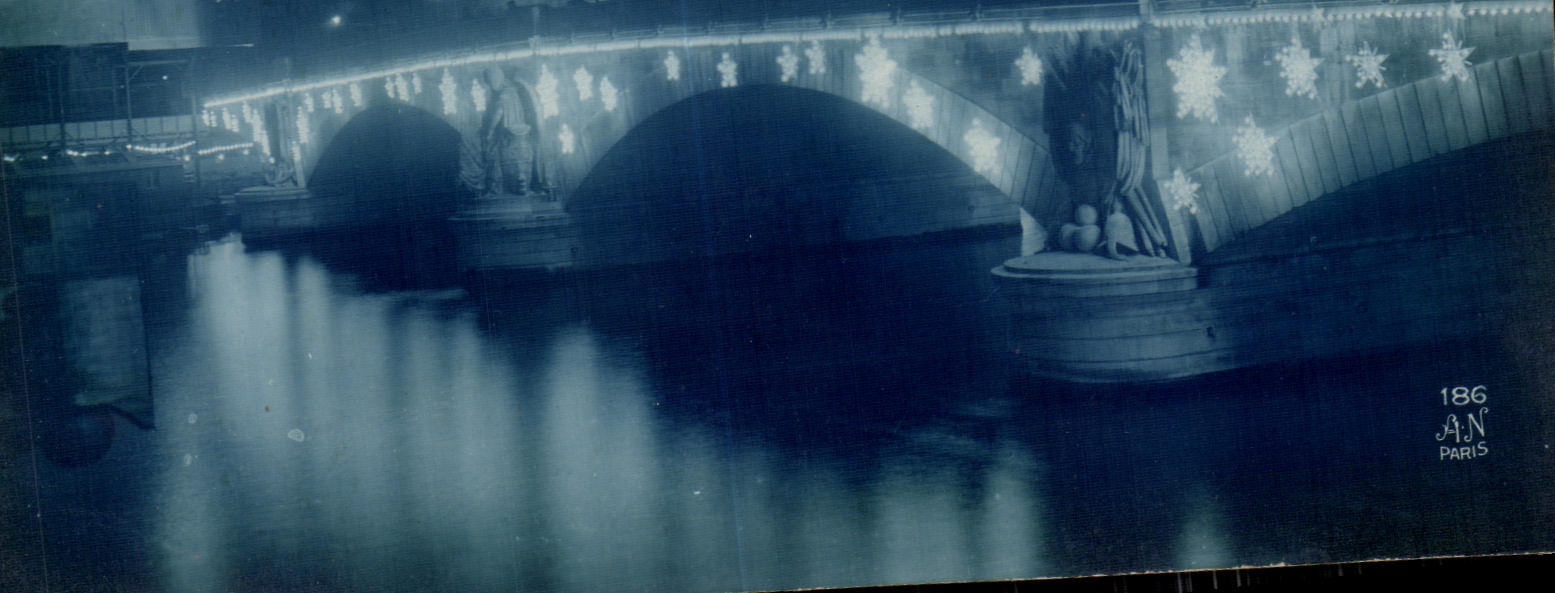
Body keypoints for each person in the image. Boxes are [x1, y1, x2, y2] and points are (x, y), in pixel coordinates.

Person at [478, 66, 535, 196]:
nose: (490, 85)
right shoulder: (512, 92)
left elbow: (499, 112)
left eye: (490, 81)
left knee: (495, 158)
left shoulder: (505, 94)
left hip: (508, 135)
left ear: (496, 79)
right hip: (518, 135)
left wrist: (490, 131)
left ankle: (496, 188)